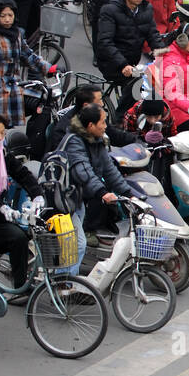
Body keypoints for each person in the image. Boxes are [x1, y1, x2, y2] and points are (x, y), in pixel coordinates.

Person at [61, 102, 133, 268]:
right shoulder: (74, 142)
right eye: (103, 122)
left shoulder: (97, 140)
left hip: (78, 199)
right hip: (64, 198)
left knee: (74, 245)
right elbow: (83, 172)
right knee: (77, 245)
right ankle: (63, 287)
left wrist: (129, 193)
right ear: (90, 125)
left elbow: (109, 170)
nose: (105, 126)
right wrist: (102, 193)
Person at [0, 112, 43, 295]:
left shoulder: (2, 152)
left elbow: (22, 173)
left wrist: (37, 194)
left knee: (19, 238)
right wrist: (1, 205)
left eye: (2, 134)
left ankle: (19, 286)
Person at [0, 0, 52, 125]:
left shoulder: (16, 33)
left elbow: (28, 55)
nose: (7, 19)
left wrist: (48, 68)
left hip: (15, 84)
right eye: (3, 16)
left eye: (10, 15)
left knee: (44, 99)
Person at [96, 0, 164, 104]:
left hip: (134, 61)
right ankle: (120, 120)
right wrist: (123, 64)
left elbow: (153, 36)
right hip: (112, 63)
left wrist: (164, 55)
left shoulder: (146, 9)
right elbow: (105, 42)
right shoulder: (109, 10)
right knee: (136, 87)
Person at [46, 83, 136, 153]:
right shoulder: (65, 131)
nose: (102, 104)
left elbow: (113, 134)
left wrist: (135, 140)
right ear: (86, 105)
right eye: (99, 100)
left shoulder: (96, 117)